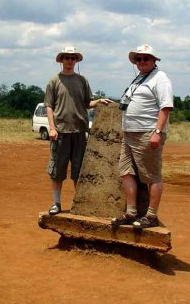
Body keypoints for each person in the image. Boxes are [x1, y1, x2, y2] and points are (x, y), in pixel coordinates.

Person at [45, 46, 112, 215]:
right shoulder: (54, 81)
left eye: (72, 57)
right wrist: (52, 128)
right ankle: (56, 203)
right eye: (66, 57)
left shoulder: (82, 80)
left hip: (80, 132)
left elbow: (86, 103)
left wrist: (97, 102)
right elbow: (49, 106)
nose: (69, 60)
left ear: (76, 60)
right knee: (57, 170)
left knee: (79, 171)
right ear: (61, 60)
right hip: (60, 132)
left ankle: (79, 204)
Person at [112, 44, 173, 228]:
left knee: (152, 176)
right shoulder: (140, 78)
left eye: (146, 58)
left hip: (147, 133)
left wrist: (157, 132)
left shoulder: (160, 78)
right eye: (139, 59)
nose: (142, 61)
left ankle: (151, 216)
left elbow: (166, 107)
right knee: (126, 171)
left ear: (154, 60)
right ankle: (132, 213)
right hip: (129, 134)